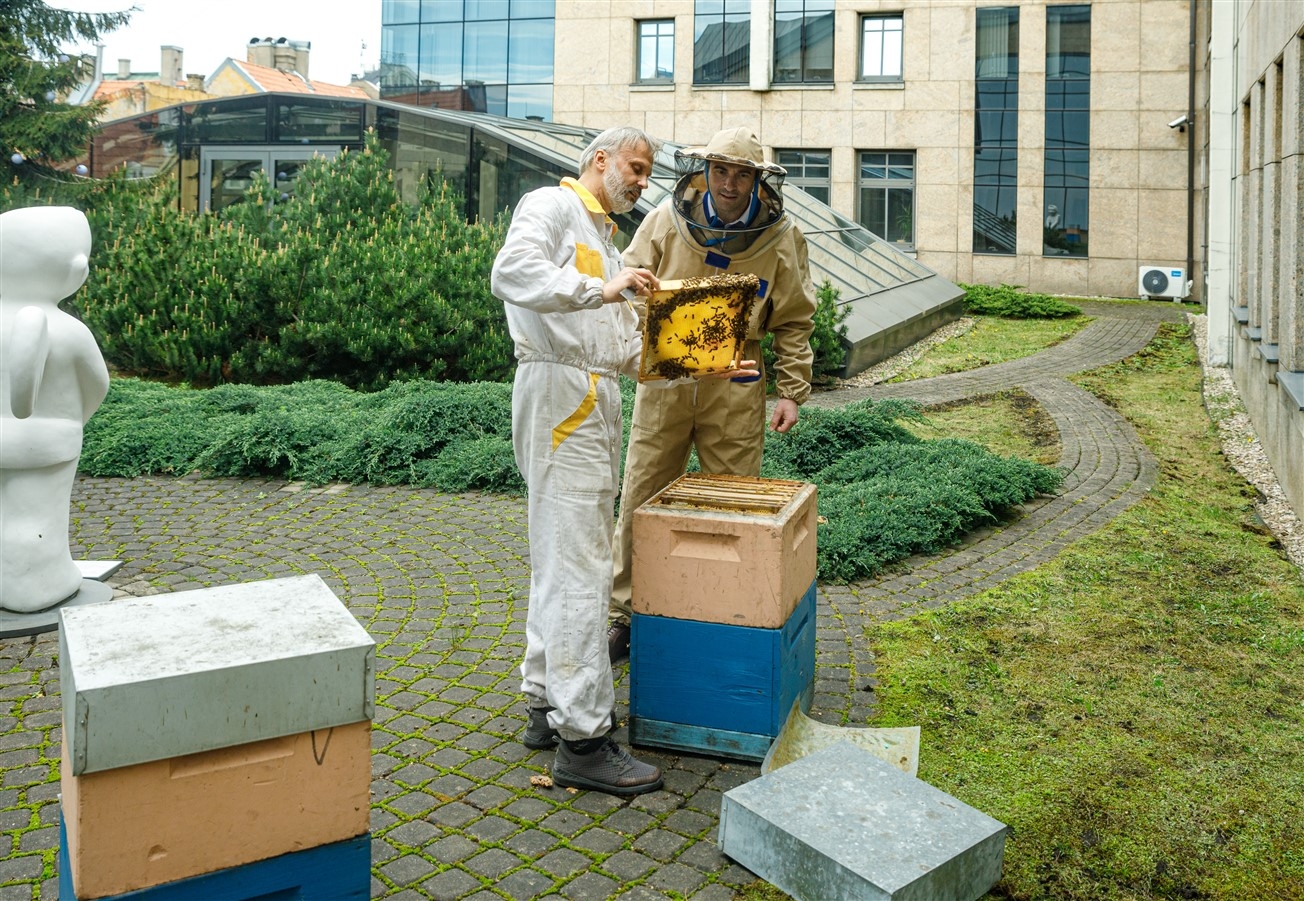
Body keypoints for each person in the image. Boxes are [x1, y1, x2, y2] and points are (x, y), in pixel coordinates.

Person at [489, 126, 668, 796]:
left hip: (588, 395)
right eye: (635, 167)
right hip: (563, 397)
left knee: (560, 557)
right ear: (599, 159)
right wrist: (603, 289)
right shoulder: (551, 206)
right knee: (582, 569)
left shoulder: (605, 243)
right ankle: (585, 738)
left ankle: (543, 700)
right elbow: (510, 273)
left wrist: (700, 365)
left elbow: (621, 355)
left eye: (647, 173)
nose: (641, 182)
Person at [607, 126, 817, 662]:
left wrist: (792, 390)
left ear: (756, 180)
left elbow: (793, 319)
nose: (728, 183)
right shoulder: (665, 221)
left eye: (741, 173)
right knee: (643, 491)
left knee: (733, 497)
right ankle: (621, 614)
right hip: (668, 378)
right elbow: (627, 283)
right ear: (703, 172)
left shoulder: (783, 238)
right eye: (720, 170)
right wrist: (641, 342)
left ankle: (723, 613)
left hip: (738, 381)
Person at [0, 206, 110, 613]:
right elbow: (98, 385)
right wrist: (74, 420)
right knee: (36, 518)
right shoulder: (69, 330)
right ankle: (34, 584)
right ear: (74, 268)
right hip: (48, 442)